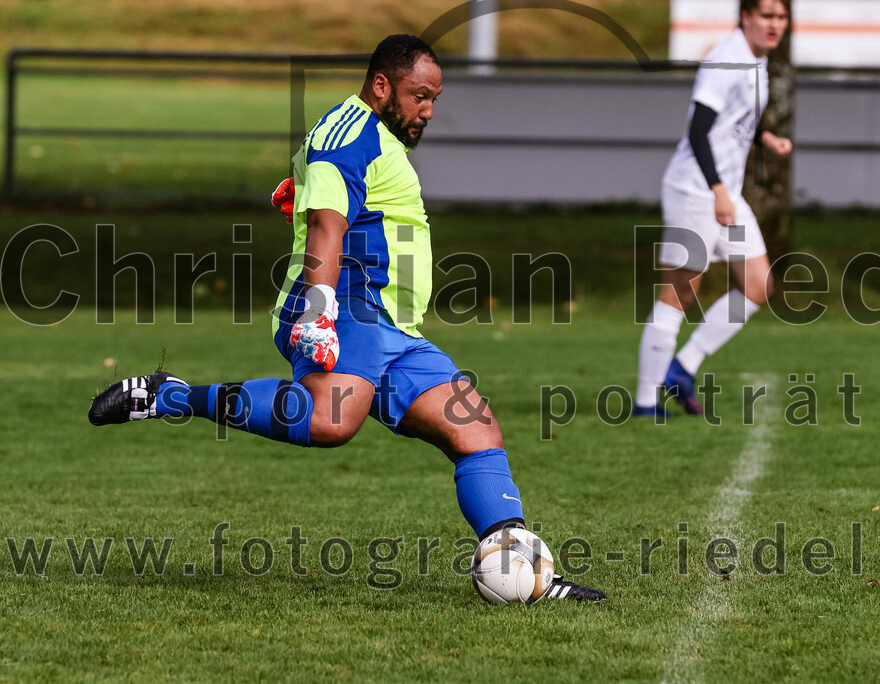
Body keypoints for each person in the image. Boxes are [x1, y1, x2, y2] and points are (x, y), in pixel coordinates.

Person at [89, 34, 605, 602]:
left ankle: (530, 577)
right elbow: (326, 227)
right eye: (419, 96)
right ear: (382, 85)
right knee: (330, 421)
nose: (428, 110)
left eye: (434, 99)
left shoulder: (372, 138)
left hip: (393, 328)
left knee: (476, 431)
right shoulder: (348, 134)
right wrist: (319, 311)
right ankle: (169, 396)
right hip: (348, 308)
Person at [634, 0, 793, 419]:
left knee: (758, 285)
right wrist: (719, 191)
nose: (775, 24)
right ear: (746, 16)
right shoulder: (727, 59)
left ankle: (682, 367)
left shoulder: (756, 60)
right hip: (696, 188)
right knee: (679, 293)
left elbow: (732, 123)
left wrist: (765, 138)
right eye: (766, 15)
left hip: (723, 191)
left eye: (781, 17)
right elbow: (699, 130)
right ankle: (645, 402)